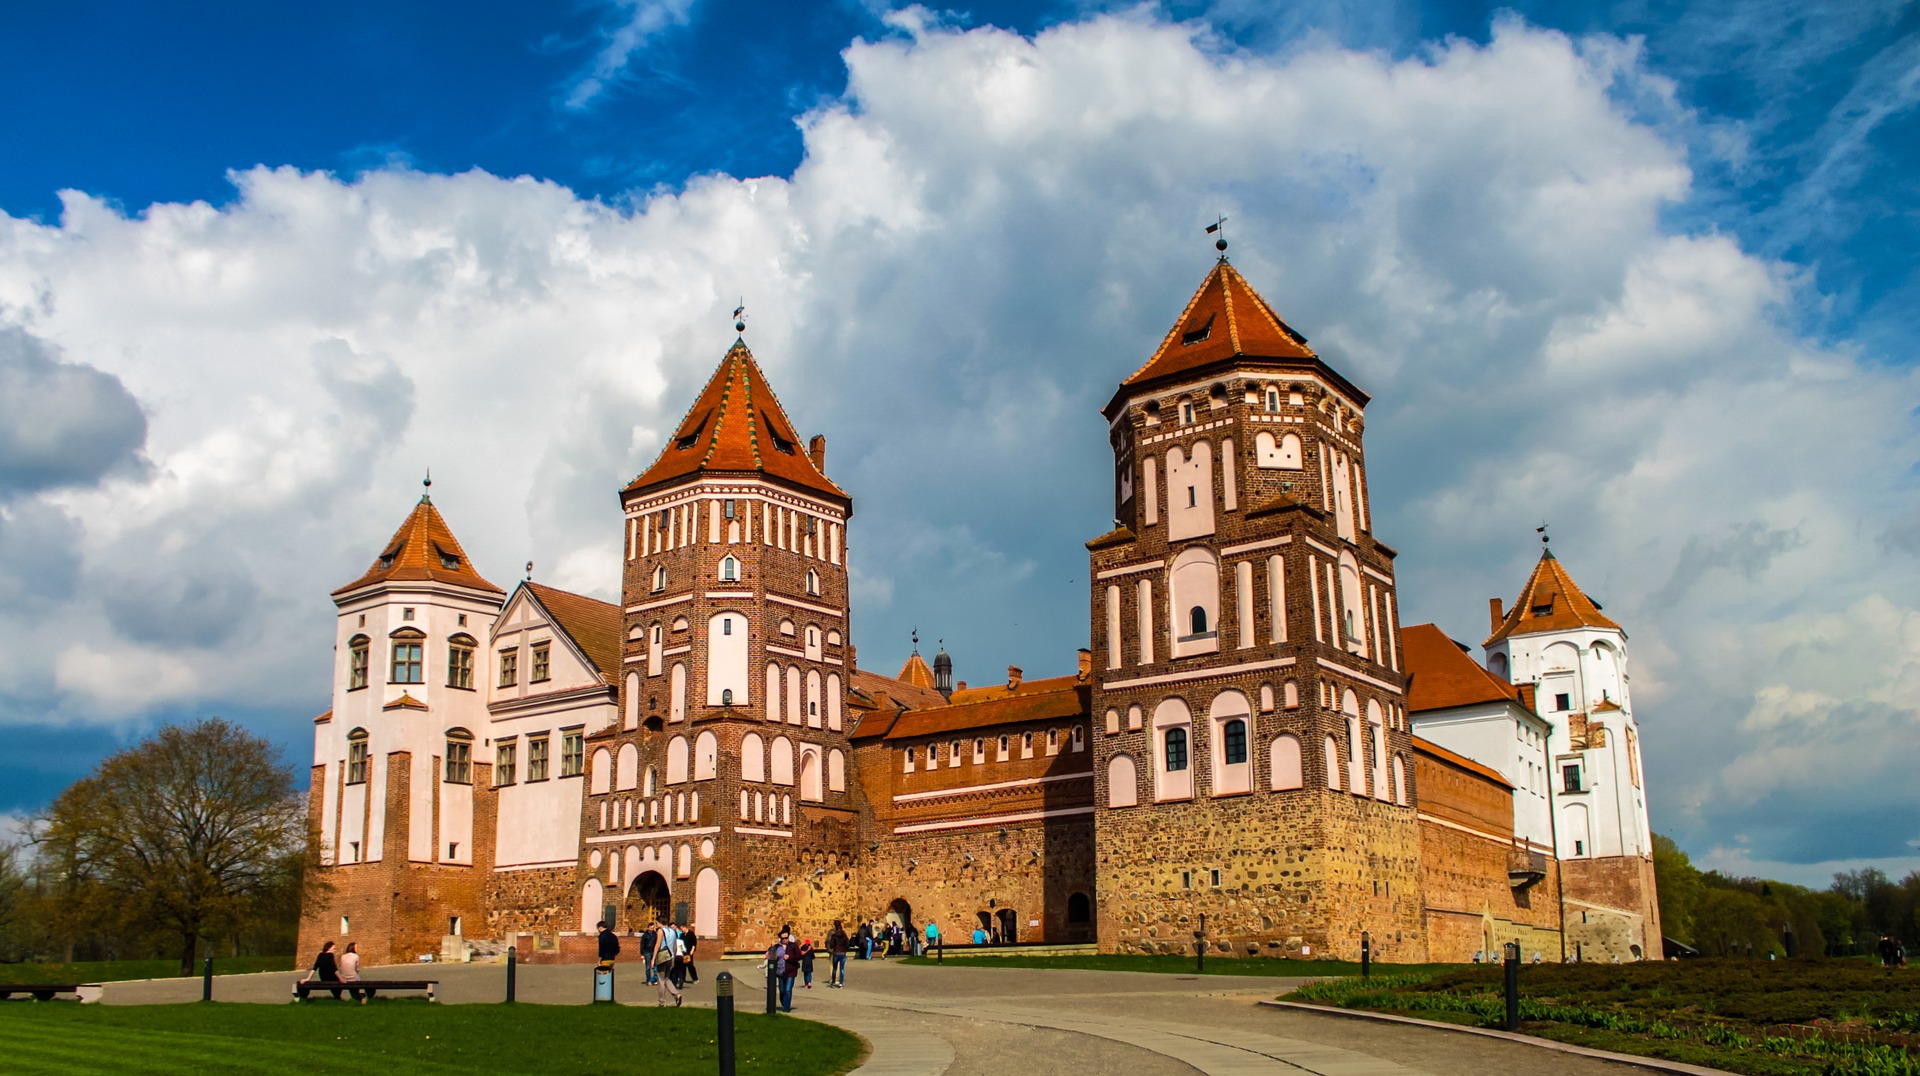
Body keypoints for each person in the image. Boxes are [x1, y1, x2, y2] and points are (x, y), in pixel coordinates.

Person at [767, 930, 800, 1012]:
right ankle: (784, 1003)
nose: (785, 939)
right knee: (782, 990)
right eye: (783, 938)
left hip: (791, 971)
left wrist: (790, 958)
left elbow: (799, 956)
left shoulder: (793, 946)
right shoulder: (777, 947)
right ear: (780, 939)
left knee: (788, 990)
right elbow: (771, 957)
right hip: (780, 971)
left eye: (786, 937)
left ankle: (787, 1008)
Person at [653, 925, 683, 1007]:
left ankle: (662, 1002)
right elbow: (675, 946)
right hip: (670, 957)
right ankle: (677, 995)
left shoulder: (661, 931)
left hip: (662, 957)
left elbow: (657, 945)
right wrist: (673, 957)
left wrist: (653, 959)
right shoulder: (673, 931)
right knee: (666, 978)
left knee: (661, 980)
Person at [827, 921, 850, 988]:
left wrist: (833, 947)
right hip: (843, 953)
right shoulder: (844, 934)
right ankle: (841, 983)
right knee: (842, 969)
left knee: (834, 968)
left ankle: (833, 982)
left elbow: (831, 945)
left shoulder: (834, 935)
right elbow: (847, 943)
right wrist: (845, 949)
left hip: (836, 952)